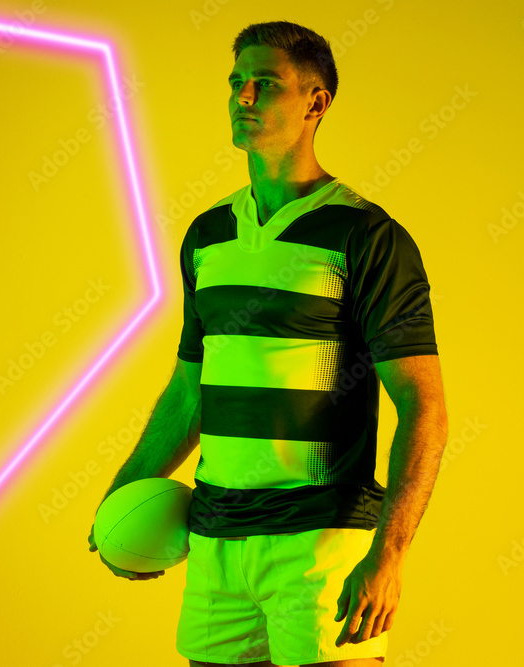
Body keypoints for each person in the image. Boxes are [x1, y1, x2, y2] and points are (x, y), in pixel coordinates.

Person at [88, 20, 448, 667]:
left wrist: (389, 555)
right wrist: (121, 501)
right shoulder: (207, 235)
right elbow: (188, 392)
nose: (243, 99)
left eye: (265, 84)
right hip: (215, 541)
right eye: (235, 84)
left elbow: (425, 407)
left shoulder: (368, 236)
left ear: (316, 103)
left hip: (319, 543)